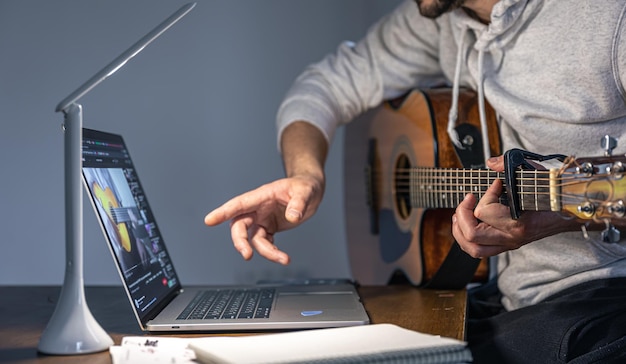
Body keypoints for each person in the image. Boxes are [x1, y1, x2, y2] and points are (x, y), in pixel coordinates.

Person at [205, 0, 626, 362]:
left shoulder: (608, 18)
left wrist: (564, 218)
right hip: (514, 297)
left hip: (602, 297)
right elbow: (324, 85)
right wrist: (305, 173)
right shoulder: (438, 18)